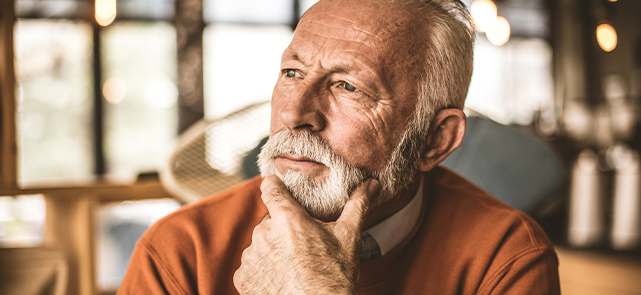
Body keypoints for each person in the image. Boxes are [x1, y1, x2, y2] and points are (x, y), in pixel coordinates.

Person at [118, 0, 561, 293]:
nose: (293, 115)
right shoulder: (180, 252)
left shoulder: (504, 260)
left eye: (348, 86)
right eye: (292, 73)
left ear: (435, 140)